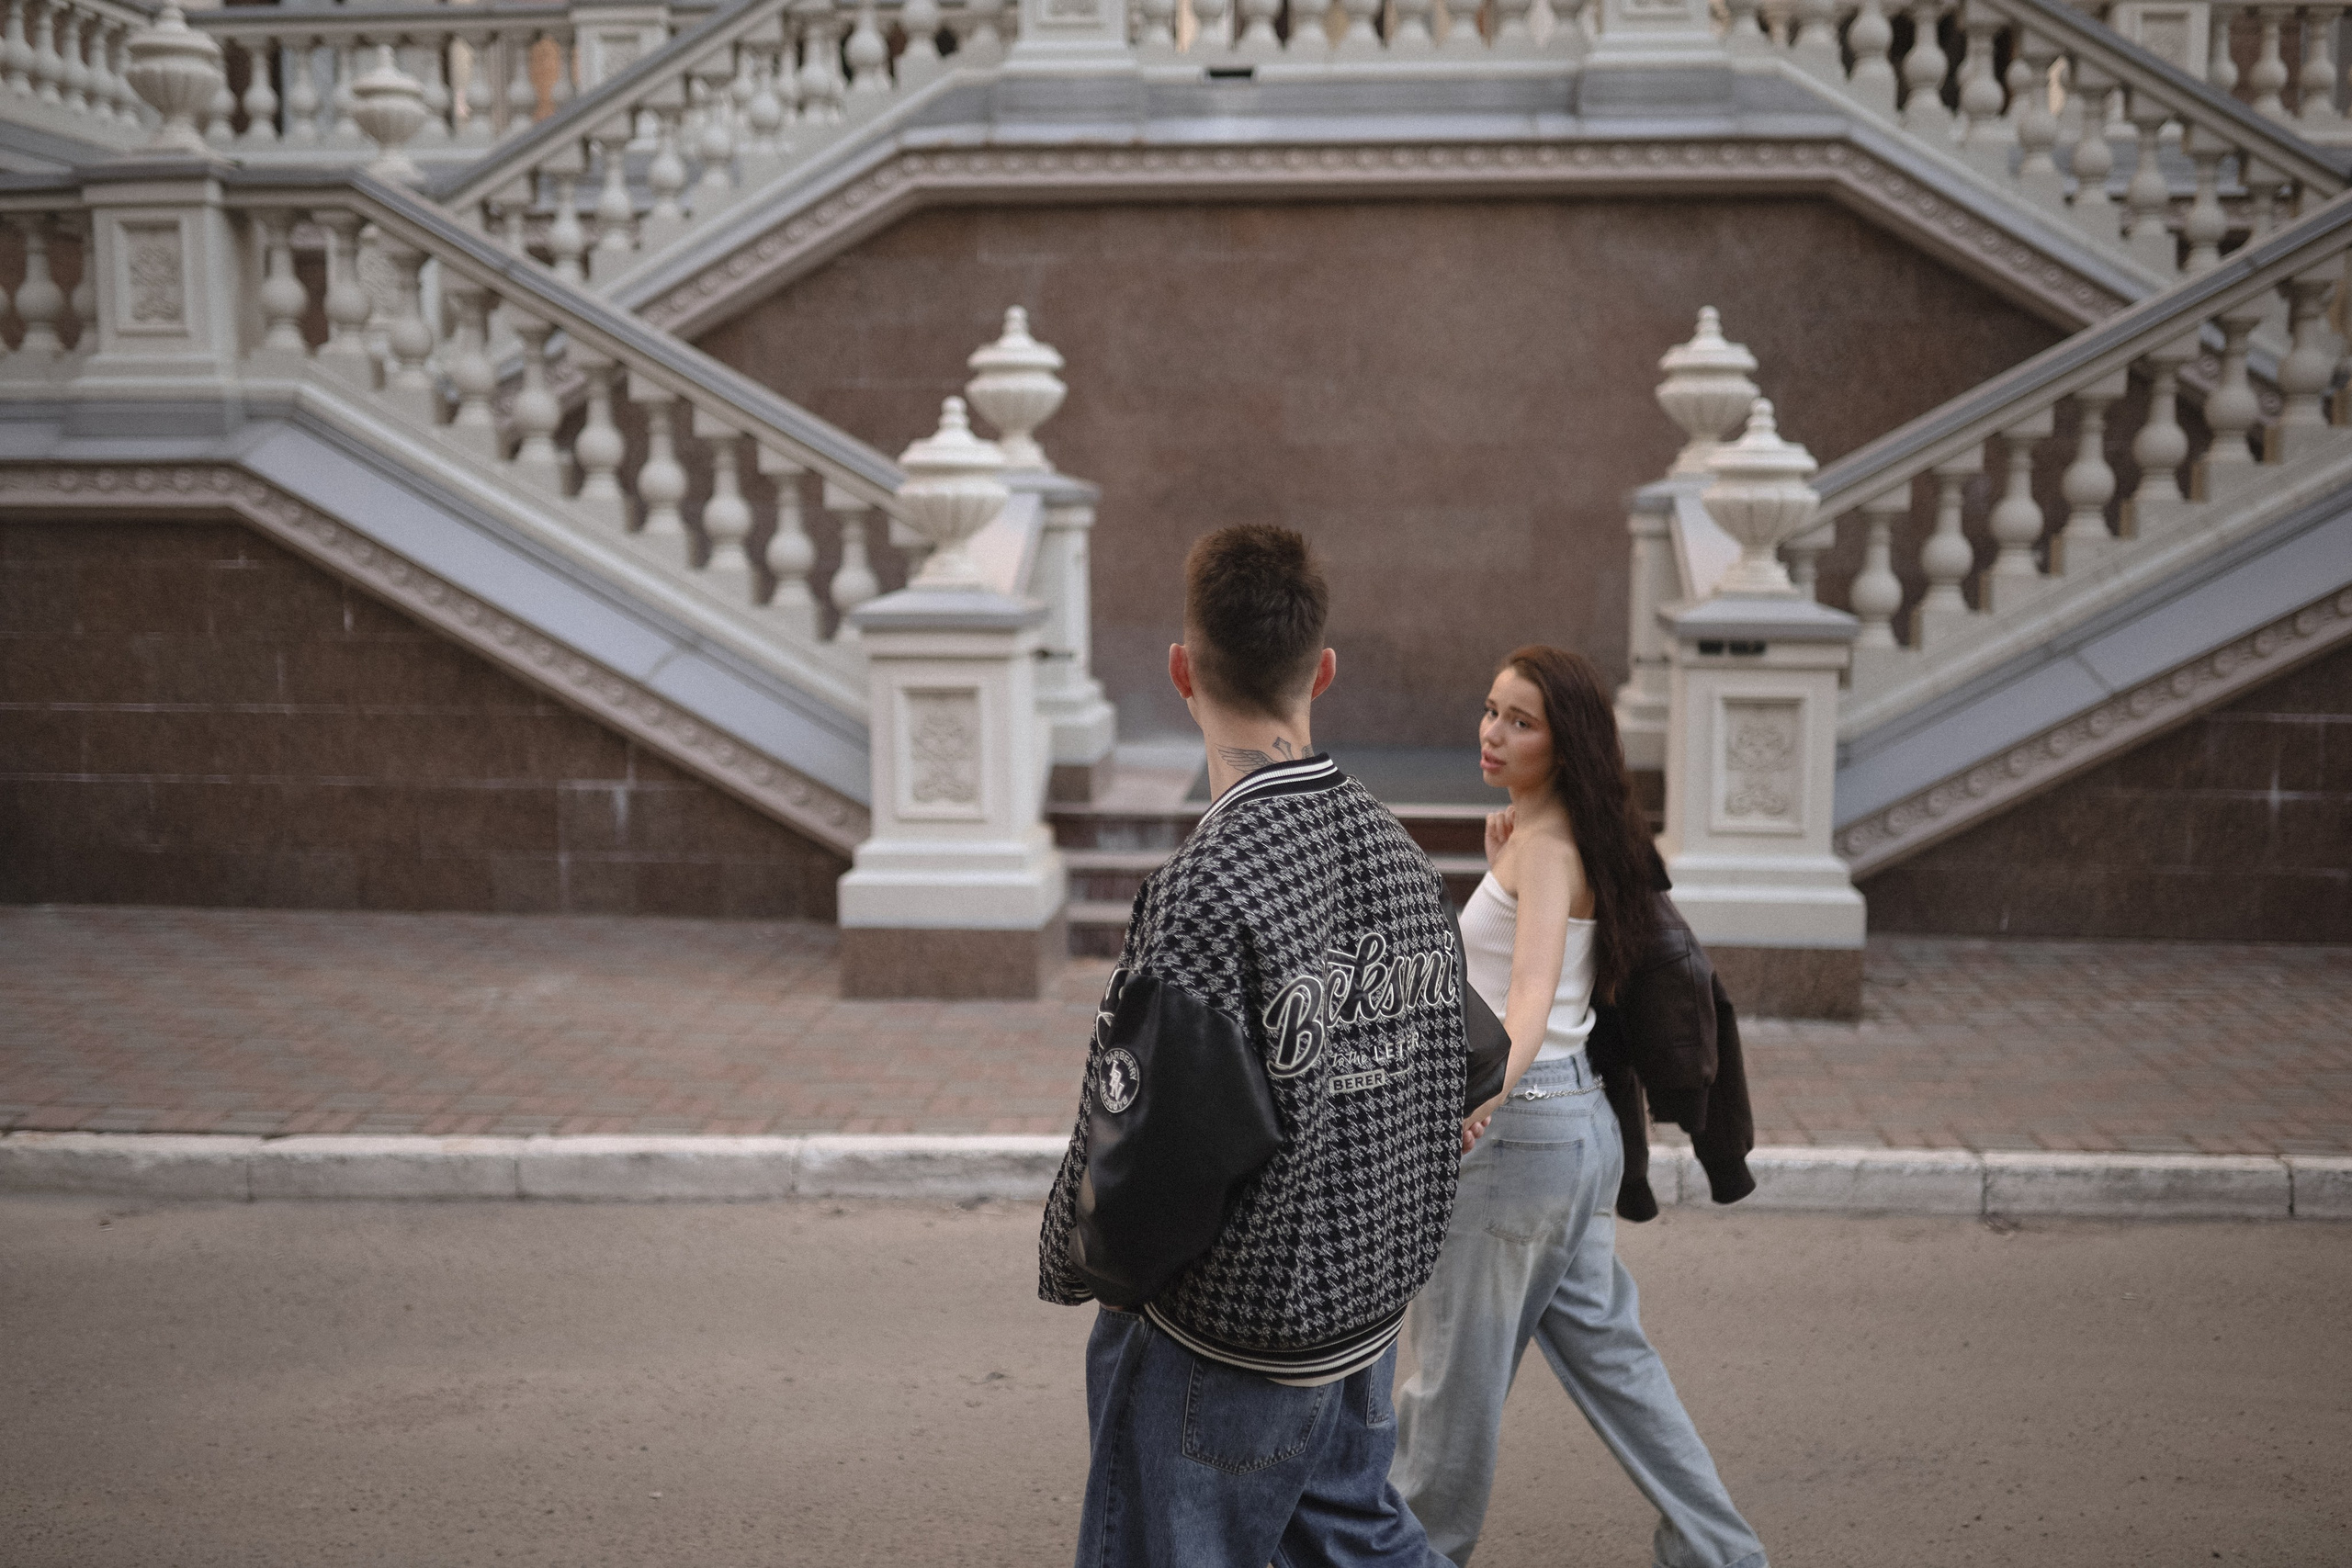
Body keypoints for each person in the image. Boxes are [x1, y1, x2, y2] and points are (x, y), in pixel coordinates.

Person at [1038, 524, 1464, 1568]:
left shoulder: (1207, 890)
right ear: (1322, 670)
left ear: (1181, 671)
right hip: (1363, 1320)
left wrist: (1083, 1264)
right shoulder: (1400, 856)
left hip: (1227, 1342)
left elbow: (1153, 1163)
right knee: (1358, 1541)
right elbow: (1467, 1062)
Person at [1389, 646, 1768, 1568]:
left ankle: (1411, 1557)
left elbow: (1528, 998)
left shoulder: (1550, 851)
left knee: (1449, 1391)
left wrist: (1485, 1091)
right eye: (1491, 709)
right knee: (1616, 1364)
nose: (1492, 732)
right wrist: (1504, 866)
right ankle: (1722, 1553)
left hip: (1519, 1138)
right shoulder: (1559, 837)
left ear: (1567, 743)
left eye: (1521, 722)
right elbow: (1548, 966)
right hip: (1578, 1129)